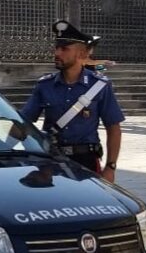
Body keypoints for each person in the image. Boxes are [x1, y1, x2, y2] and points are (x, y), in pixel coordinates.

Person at [19, 20, 124, 182]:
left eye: (64, 49)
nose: (57, 53)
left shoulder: (100, 86)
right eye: (56, 48)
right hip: (50, 164)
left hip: (86, 162)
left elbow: (114, 128)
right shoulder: (44, 86)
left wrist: (110, 167)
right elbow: (23, 125)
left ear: (81, 54)